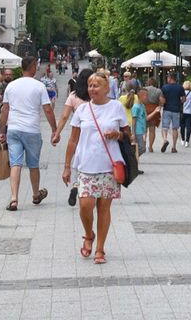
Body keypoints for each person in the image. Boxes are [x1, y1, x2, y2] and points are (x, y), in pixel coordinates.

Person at [62, 69, 129, 265]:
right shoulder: (82, 110)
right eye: (90, 85)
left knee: (103, 208)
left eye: (96, 85)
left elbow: (127, 135)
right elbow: (73, 140)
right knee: (85, 206)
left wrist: (117, 135)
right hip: (85, 165)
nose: (92, 89)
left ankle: (100, 248)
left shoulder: (116, 107)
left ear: (107, 88)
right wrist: (67, 166)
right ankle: (88, 234)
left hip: (109, 166)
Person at [0, 63, 58, 211]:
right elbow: (48, 110)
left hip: (14, 129)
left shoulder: (11, 86)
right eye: (35, 67)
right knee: (33, 164)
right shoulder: (39, 86)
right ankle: (36, 194)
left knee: (15, 164)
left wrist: (2, 131)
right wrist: (54, 130)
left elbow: (5, 110)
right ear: (31, 68)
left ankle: (14, 199)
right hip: (31, 130)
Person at [53, 67, 94, 207]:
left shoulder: (73, 96)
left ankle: (76, 185)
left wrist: (57, 133)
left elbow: (64, 116)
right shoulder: (95, 96)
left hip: (78, 132)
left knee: (78, 161)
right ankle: (84, 186)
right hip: (93, 134)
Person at [160, 72, 187, 152]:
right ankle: (174, 147)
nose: (167, 79)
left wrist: (162, 103)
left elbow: (162, 99)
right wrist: (179, 102)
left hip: (167, 109)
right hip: (176, 110)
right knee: (175, 128)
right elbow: (184, 99)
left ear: (170, 78)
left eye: (168, 77)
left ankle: (165, 139)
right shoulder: (180, 88)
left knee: (165, 127)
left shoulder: (164, 87)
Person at [141, 78, 164, 152]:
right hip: (154, 109)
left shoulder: (144, 89)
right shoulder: (158, 90)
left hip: (144, 108)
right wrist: (159, 105)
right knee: (152, 129)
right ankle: (150, 147)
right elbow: (162, 101)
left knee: (144, 129)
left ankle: (143, 144)